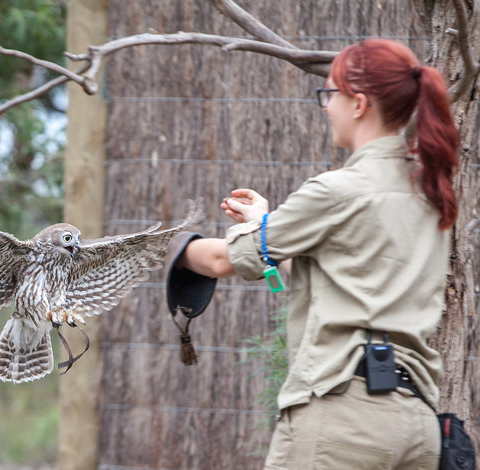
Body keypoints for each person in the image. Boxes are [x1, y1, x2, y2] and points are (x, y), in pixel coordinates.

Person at [169, 38, 459, 469]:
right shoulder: (430, 196)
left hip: (344, 419)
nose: (326, 106)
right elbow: (342, 269)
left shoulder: (337, 190)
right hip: (418, 425)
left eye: (330, 94)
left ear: (358, 103)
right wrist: (266, 224)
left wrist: (156, 248)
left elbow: (219, 261)